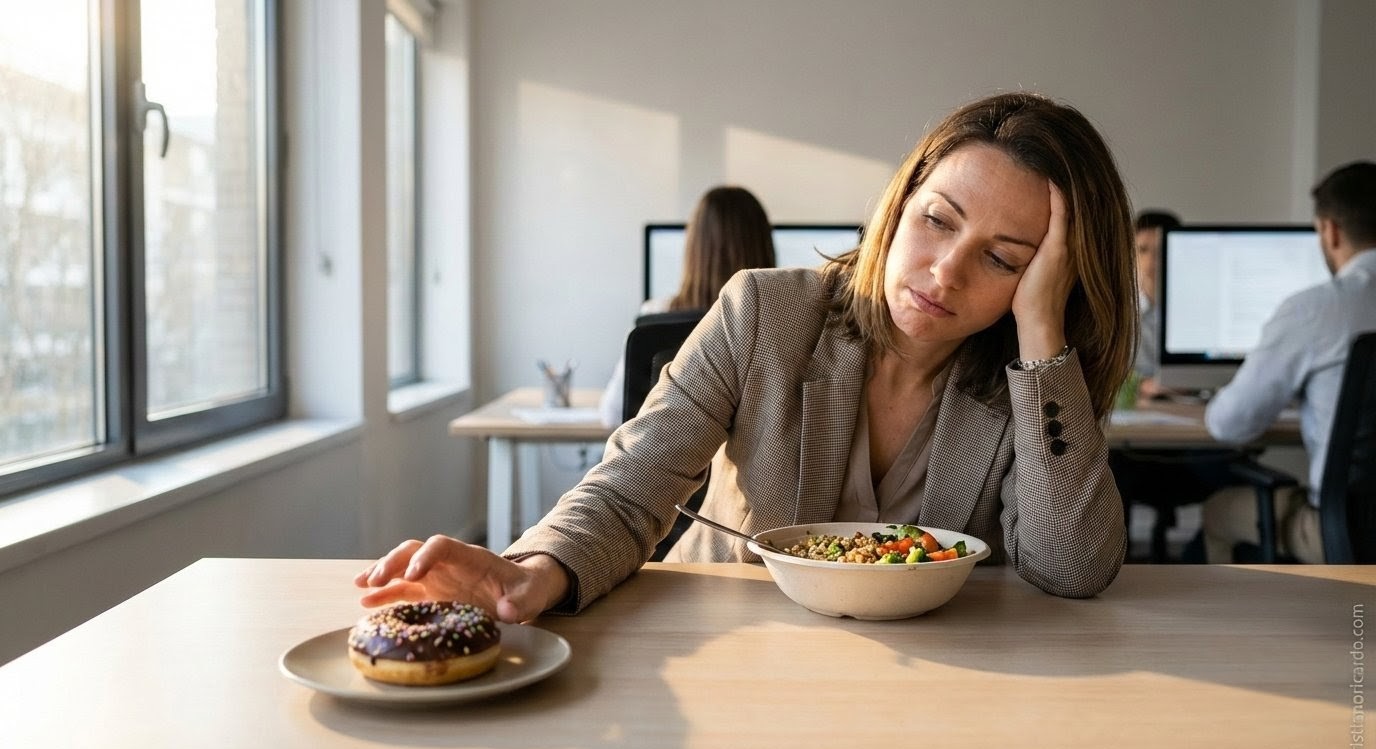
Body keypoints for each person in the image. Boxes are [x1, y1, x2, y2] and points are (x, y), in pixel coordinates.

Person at [355, 92, 1138, 622]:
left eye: (1002, 259)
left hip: (938, 684)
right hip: (732, 647)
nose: (945, 272)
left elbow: (1069, 568)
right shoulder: (764, 313)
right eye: (937, 219)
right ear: (898, 205)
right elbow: (630, 492)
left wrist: (1043, 331)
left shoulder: (1032, 384)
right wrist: (534, 572)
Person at [1201, 160, 1376, 563]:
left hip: (1347, 530)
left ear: (1330, 230)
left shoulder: (1314, 309)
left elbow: (1229, 424)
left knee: (1218, 511)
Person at [598, 186, 776, 427]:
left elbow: (613, 414)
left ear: (694, 248)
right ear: (764, 245)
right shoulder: (781, 322)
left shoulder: (655, 316)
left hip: (671, 451)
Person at [1130, 209, 1181, 400]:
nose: (1150, 263)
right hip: (1138, 406)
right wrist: (1142, 384)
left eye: (1161, 250)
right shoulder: (1118, 313)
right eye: (1142, 250)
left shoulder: (1198, 312)